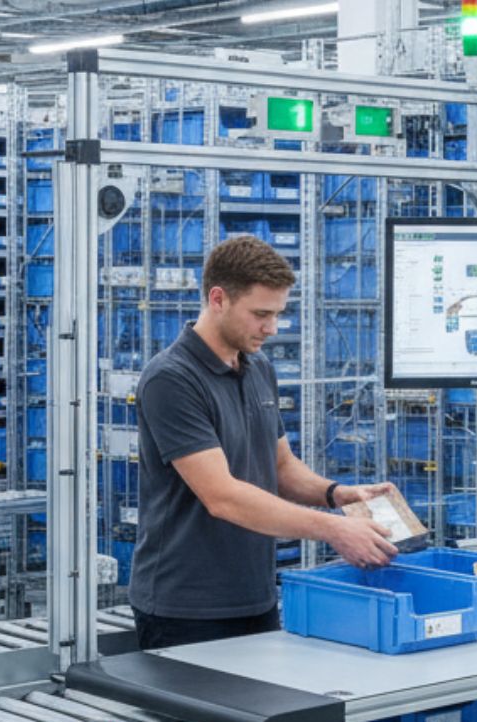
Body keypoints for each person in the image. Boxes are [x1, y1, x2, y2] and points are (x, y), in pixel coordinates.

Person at [130, 235, 400, 650]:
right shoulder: (172, 379)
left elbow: (280, 467)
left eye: (277, 314)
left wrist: (339, 495)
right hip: (186, 608)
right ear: (218, 298)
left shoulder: (257, 367)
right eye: (260, 314)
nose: (271, 328)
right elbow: (223, 497)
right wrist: (334, 530)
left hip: (255, 597)